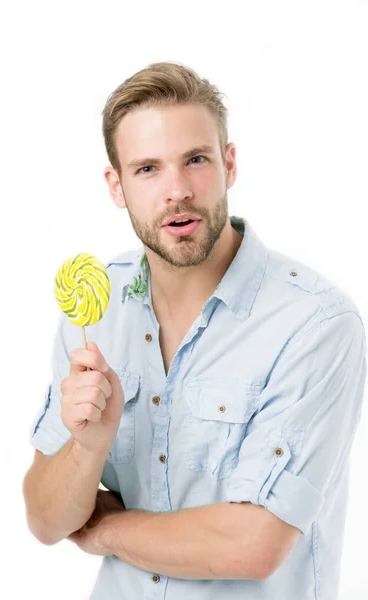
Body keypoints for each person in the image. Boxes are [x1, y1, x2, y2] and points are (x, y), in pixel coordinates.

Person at [22, 61, 367, 600]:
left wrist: (102, 527)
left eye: (196, 160)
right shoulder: (97, 309)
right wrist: (87, 449)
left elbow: (253, 544)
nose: (177, 190)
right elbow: (45, 520)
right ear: (116, 185)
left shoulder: (314, 323)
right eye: (147, 169)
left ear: (229, 163)